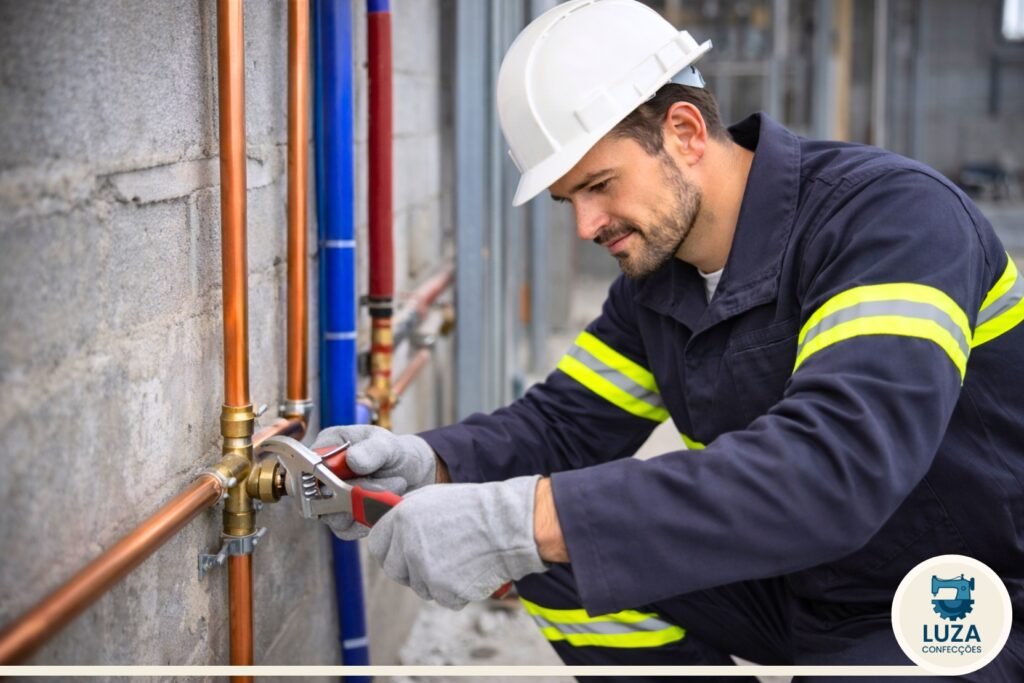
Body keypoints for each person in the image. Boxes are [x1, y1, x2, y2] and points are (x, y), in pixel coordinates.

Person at [312, 0, 1024, 679]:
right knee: (562, 564)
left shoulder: (891, 221)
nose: (586, 226)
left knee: (556, 531)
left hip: (949, 589)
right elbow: (564, 424)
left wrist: (523, 517)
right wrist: (430, 462)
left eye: (599, 185)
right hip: (799, 577)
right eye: (569, 200)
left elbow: (833, 468)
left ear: (684, 133)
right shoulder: (661, 280)